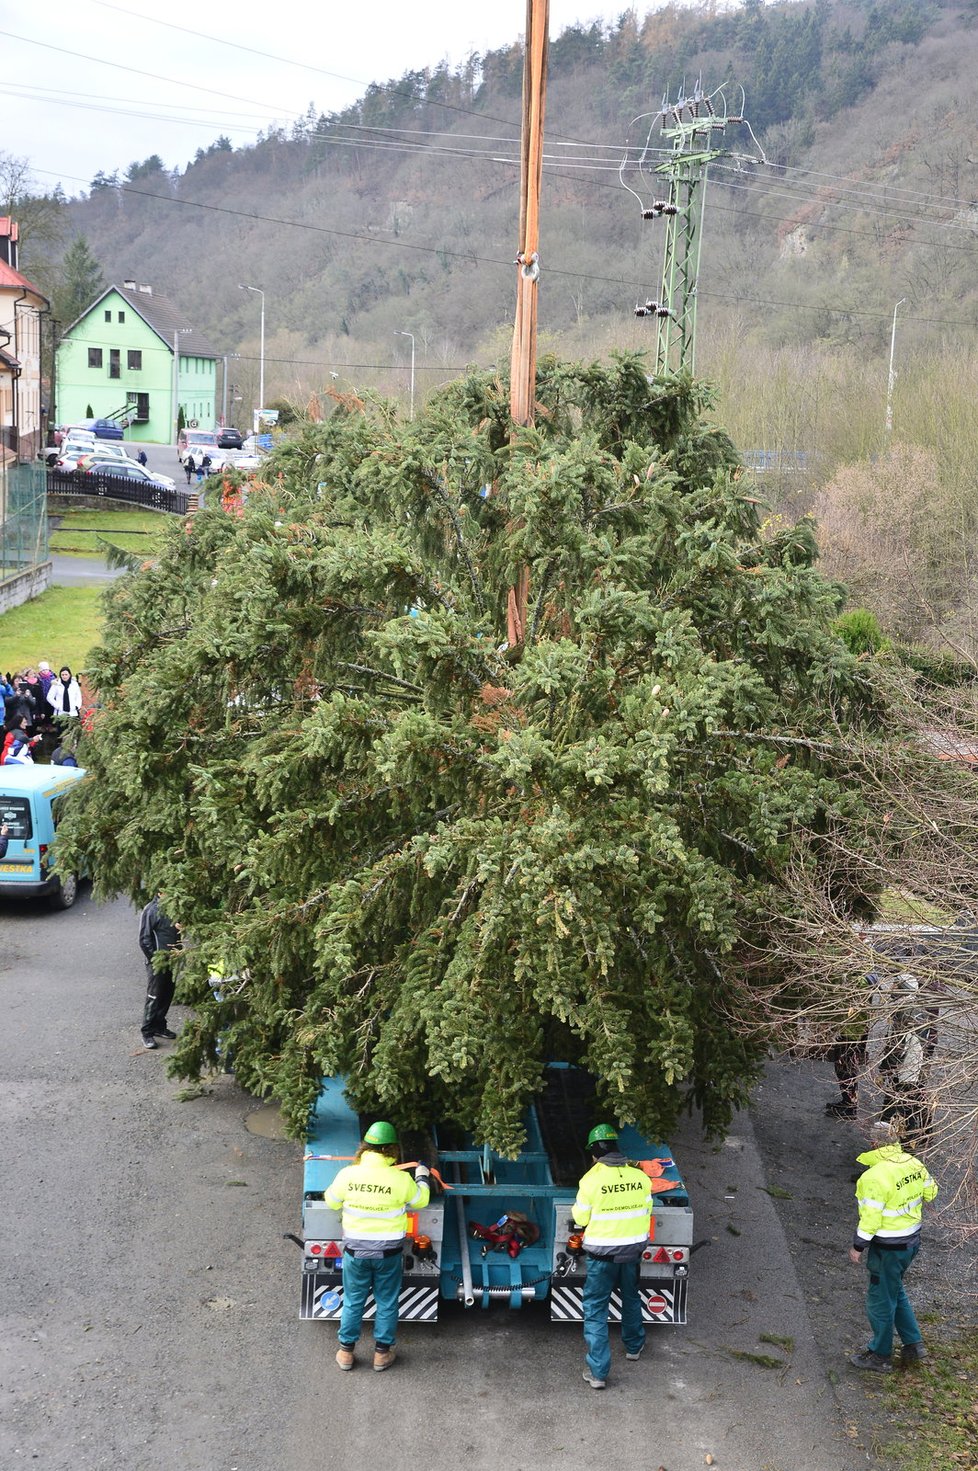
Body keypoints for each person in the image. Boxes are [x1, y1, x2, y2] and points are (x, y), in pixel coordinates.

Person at [321, 1121, 430, 1372]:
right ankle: (382, 1354)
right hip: (388, 1254)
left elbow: (332, 1202)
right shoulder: (401, 1178)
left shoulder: (348, 1174)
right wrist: (422, 1177)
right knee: (387, 1301)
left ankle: (346, 1352)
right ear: (393, 1149)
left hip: (356, 1253)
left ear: (364, 1147)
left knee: (353, 1300)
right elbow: (421, 1200)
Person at [848, 1118, 938, 1373]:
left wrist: (858, 1246)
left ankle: (880, 1355)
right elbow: (931, 1193)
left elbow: (871, 1218)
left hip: (888, 1249)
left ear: (875, 1143)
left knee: (879, 1301)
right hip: (911, 1243)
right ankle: (913, 1343)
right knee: (895, 1290)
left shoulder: (873, 1176)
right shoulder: (913, 1163)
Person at [572, 1123, 654, 1389]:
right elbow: (646, 1212)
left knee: (596, 1309)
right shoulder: (641, 1178)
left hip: (602, 1259)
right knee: (631, 1297)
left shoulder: (592, 1180)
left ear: (594, 1153)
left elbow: (580, 1217)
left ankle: (598, 1373)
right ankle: (634, 1347)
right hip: (631, 1255)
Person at [878, 974, 932, 1144]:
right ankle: (918, 1138)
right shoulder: (919, 1009)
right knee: (910, 1106)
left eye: (896, 985)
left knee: (893, 1111)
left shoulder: (905, 1011)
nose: (892, 989)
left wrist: (885, 1068)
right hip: (915, 1070)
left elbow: (897, 1046)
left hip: (904, 1071)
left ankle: (892, 1147)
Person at [137, 894, 181, 1050]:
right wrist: (155, 959)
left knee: (167, 994)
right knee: (154, 996)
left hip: (173, 960)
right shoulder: (152, 910)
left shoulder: (174, 907)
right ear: (160, 892)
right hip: (156, 962)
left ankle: (159, 1026)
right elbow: (144, 939)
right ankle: (147, 1032)